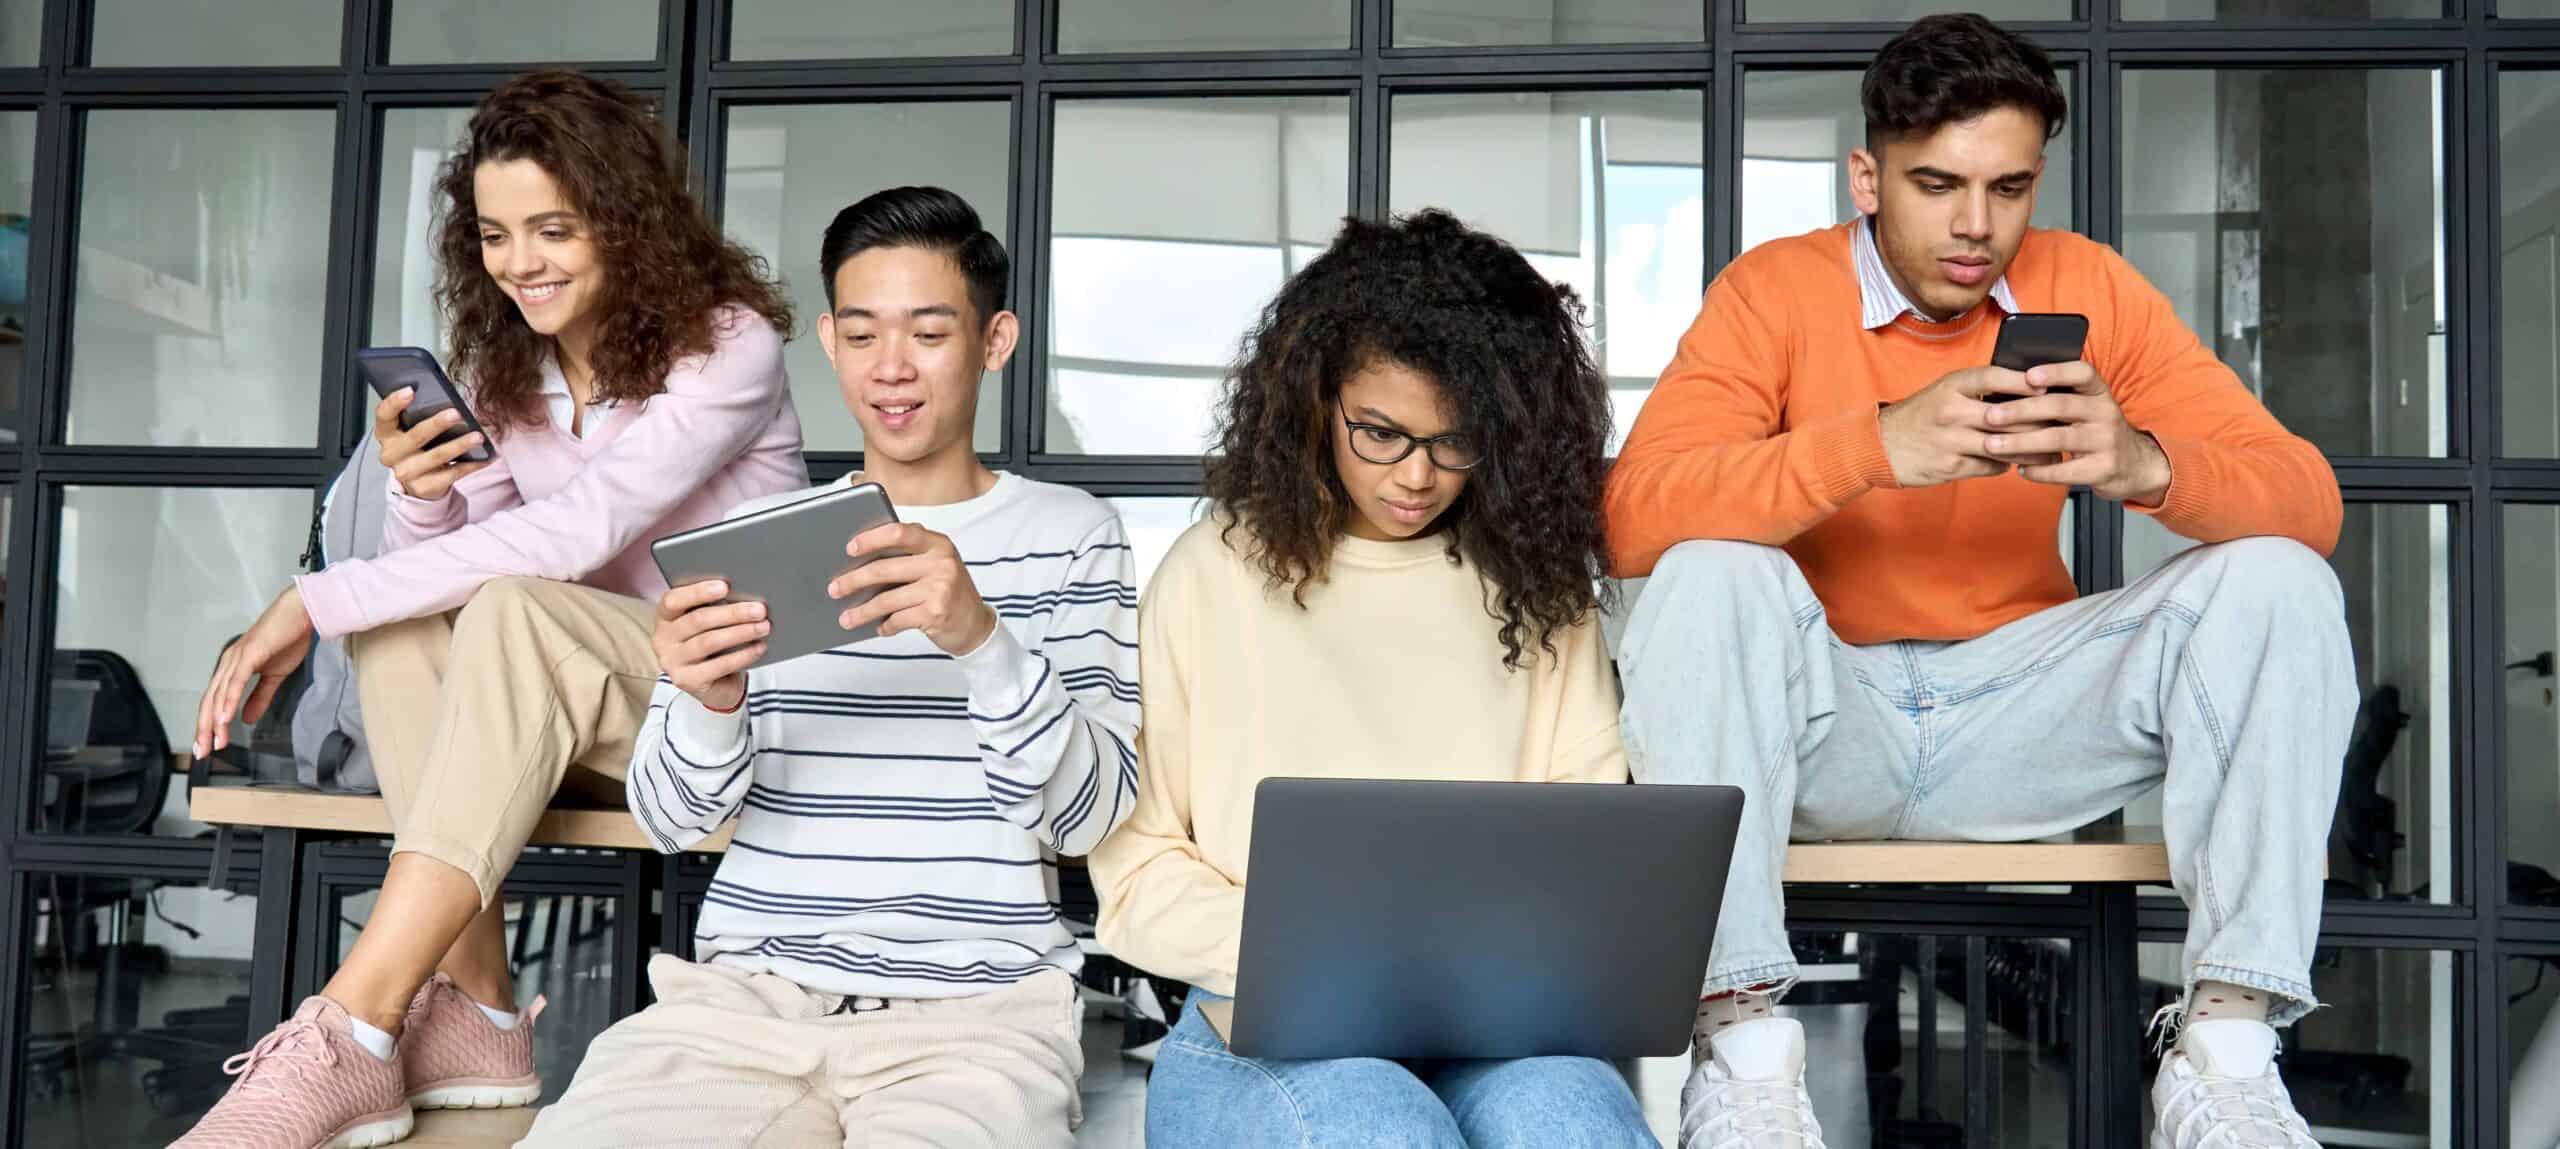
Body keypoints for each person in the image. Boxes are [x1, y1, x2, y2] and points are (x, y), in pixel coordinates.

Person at [1604, 14, 2351, 1148]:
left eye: (2008, 188)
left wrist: (2143, 465)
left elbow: (2309, 504)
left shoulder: (2087, 282)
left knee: (2277, 580)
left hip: (2022, 718)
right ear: (1866, 176)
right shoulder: (1773, 291)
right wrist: (1870, 448)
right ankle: (1744, 1055)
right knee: (1706, 571)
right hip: (1823, 721)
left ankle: (2226, 1056)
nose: (1974, 227)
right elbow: (1629, 520)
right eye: (1935, 184)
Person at [177, 71, 806, 1149]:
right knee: (416, 618)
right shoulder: (499, 361)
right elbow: (472, 558)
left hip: (721, 699)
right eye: (496, 234)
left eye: (554, 228)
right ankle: (474, 1014)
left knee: (508, 602)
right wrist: (423, 502)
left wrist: (310, 597)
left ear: (625, 218)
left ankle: (355, 1022)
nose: (521, 263)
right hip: (561, 706)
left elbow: (574, 539)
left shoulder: (727, 343)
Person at [515, 187, 1139, 1148]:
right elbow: (674, 822)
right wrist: (707, 701)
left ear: (995, 340)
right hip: (739, 1007)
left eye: (929, 333)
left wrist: (982, 639)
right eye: (860, 335)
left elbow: (1088, 817)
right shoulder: (756, 544)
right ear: (829, 340)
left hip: (974, 1021)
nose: (891, 368)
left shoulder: (1073, 536)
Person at [1088, 209, 1655, 1148]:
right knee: (1382, 1129)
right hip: (1255, 1030)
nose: (1418, 476)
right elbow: (1139, 873)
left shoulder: (1540, 591)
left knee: (1575, 1124)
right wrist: (1328, 957)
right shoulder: (1210, 573)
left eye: (1455, 440)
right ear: (1316, 400)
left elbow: (1579, 856)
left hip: (1499, 1036)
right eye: (1381, 433)